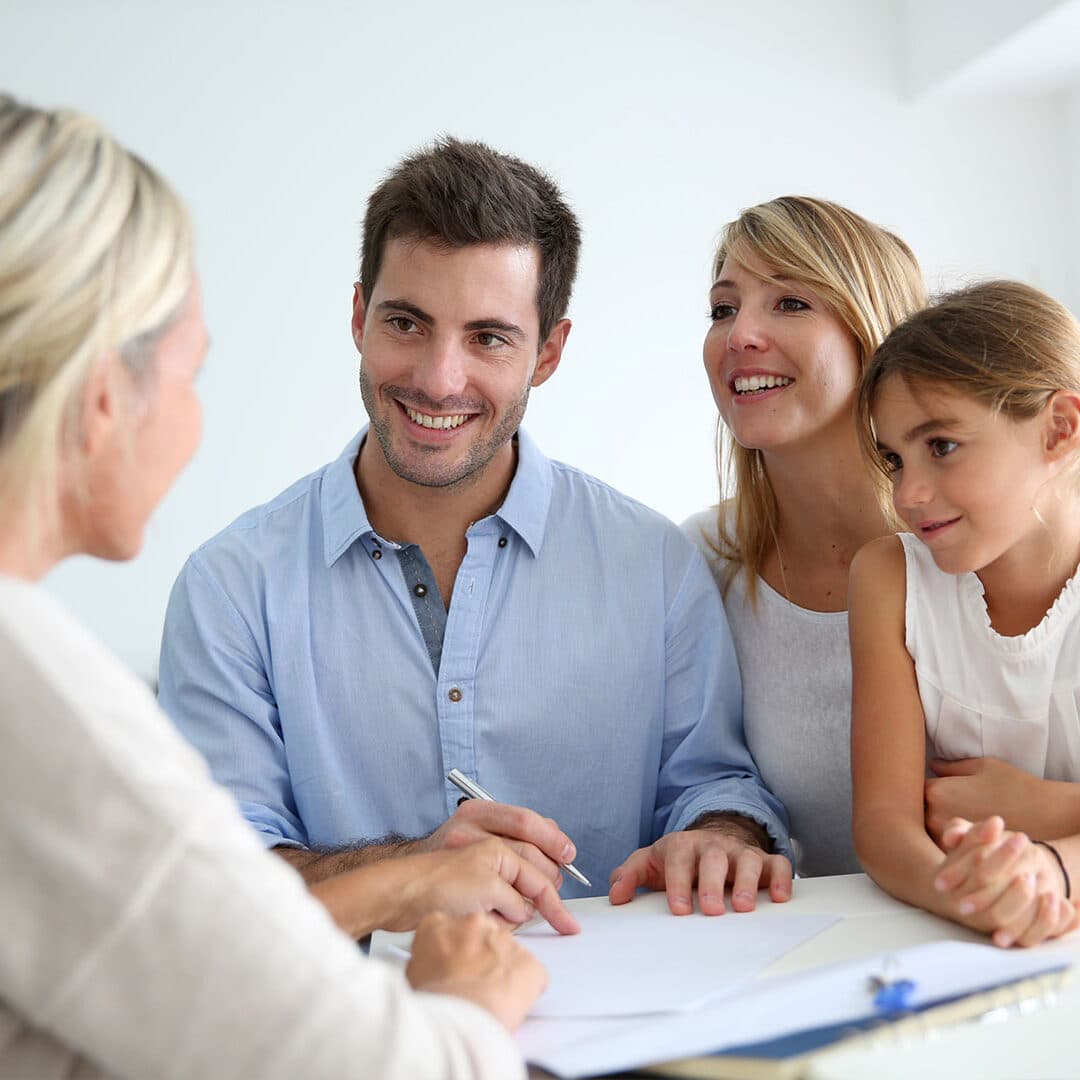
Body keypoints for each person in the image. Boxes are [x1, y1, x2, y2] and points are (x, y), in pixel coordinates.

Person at [0, 95, 568, 1080]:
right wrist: (471, 1007)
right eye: (192, 373)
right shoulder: (35, 696)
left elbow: (184, 932)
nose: (441, 379)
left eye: (487, 337)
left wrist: (404, 881)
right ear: (101, 400)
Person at [158, 136, 795, 917]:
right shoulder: (229, 587)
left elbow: (714, 786)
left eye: (488, 338)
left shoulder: (656, 564)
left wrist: (720, 835)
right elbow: (217, 875)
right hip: (349, 995)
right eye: (406, 323)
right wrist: (409, 871)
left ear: (548, 352)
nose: (439, 379)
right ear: (359, 317)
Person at [682, 196, 926, 876]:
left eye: (790, 302)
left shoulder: (972, 549)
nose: (739, 335)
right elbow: (693, 783)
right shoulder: (702, 561)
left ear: (874, 335)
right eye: (723, 308)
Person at [850, 280, 1080, 947]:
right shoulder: (889, 577)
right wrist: (974, 899)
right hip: (982, 944)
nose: (907, 494)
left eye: (942, 446)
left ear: (1060, 429)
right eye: (894, 460)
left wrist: (1050, 830)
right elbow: (884, 824)